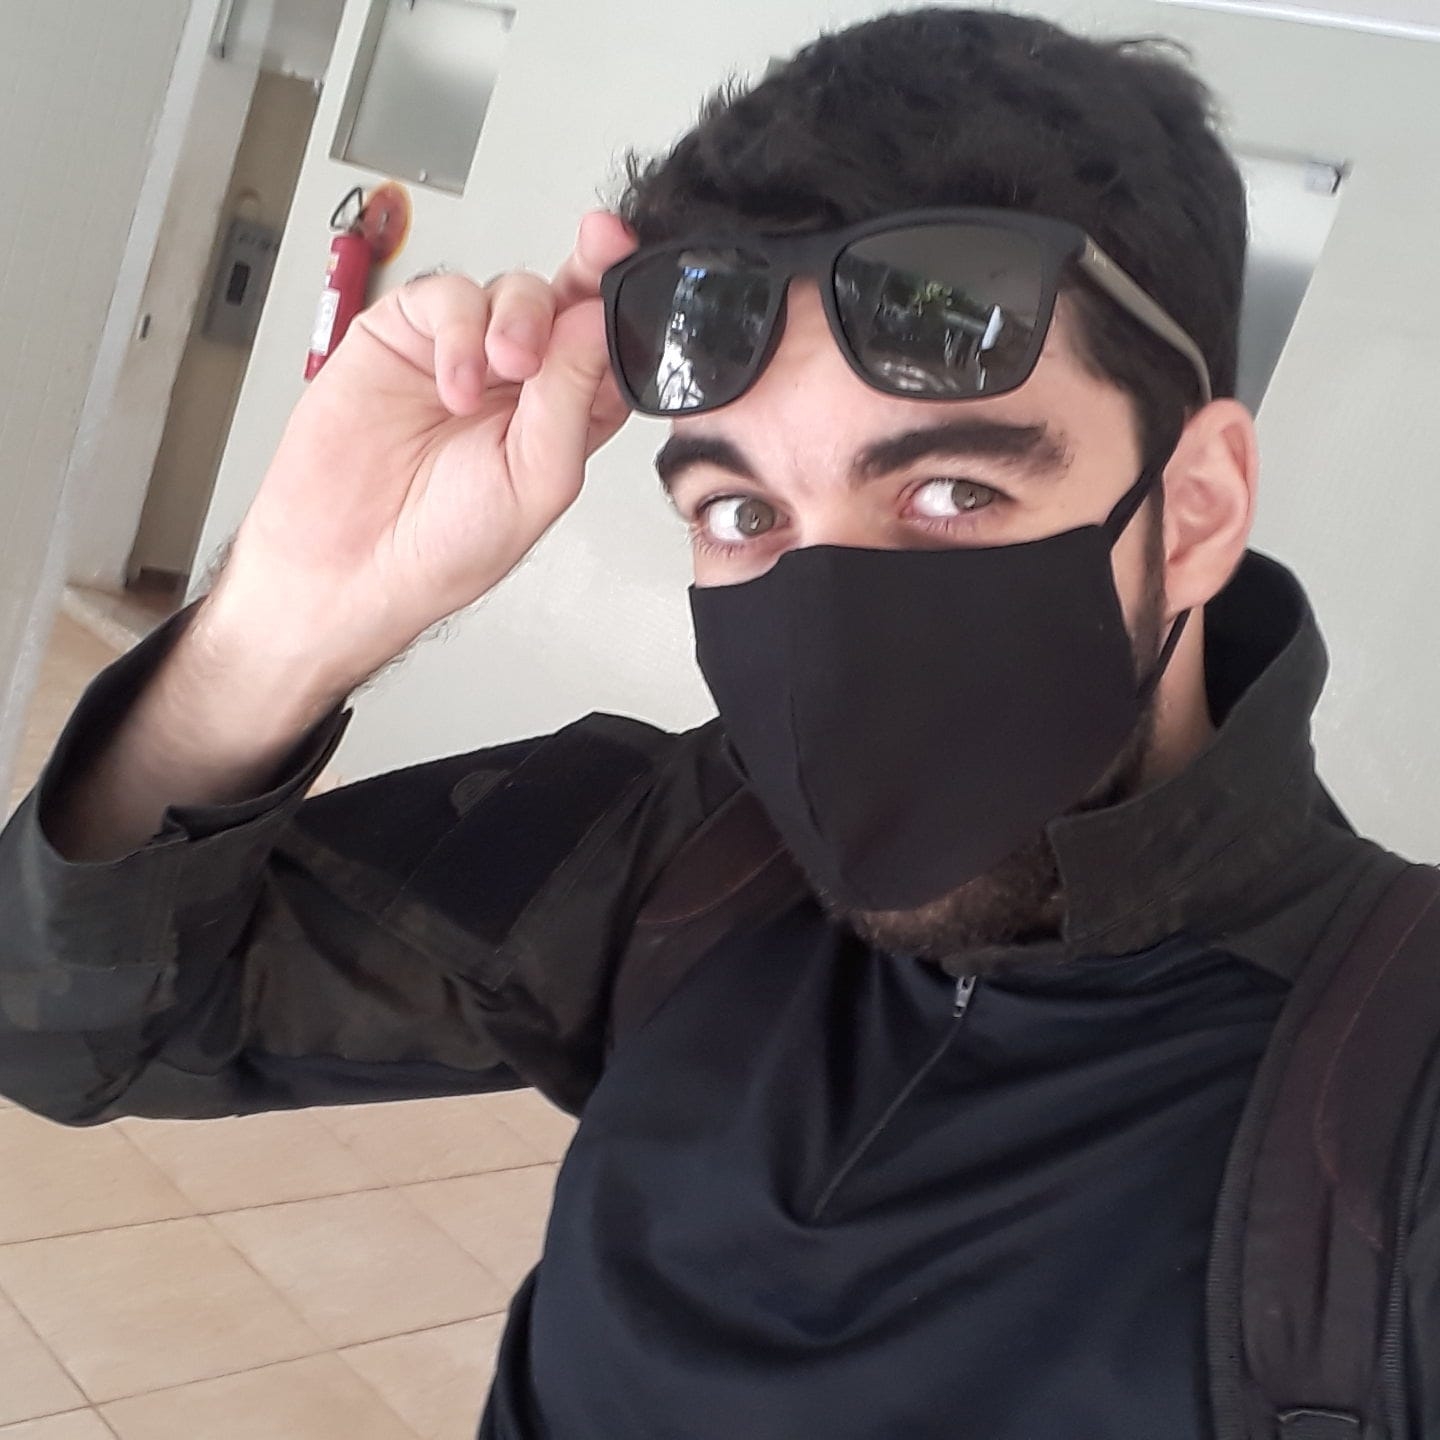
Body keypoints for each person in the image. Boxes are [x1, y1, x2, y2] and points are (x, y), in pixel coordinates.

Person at [0, 8, 1435, 1438]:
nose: (835, 629)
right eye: (743, 511)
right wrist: (287, 616)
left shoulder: (1400, 1097)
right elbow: (65, 1025)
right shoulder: (687, 855)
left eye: (953, 491)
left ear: (1198, 510)